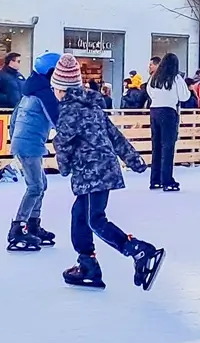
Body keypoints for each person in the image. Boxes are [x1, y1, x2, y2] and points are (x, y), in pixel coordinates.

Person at [49, 54, 162, 290]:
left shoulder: (69, 111)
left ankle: (138, 250)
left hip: (92, 173)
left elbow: (63, 142)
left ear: (61, 89)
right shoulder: (93, 107)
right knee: (80, 215)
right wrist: (133, 160)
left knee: (95, 219)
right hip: (103, 169)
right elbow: (115, 136)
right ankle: (87, 264)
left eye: (54, 88)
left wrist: (64, 167)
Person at [6, 51, 61, 251]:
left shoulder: (30, 90)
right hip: (29, 145)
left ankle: (33, 225)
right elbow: (58, 119)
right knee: (35, 186)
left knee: (41, 184)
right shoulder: (44, 94)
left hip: (28, 143)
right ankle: (18, 228)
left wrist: (16, 140)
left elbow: (14, 118)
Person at [146, 53, 188, 192]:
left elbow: (149, 91)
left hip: (154, 111)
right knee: (168, 147)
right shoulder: (175, 78)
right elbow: (184, 96)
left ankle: (155, 180)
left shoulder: (154, 77)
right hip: (169, 112)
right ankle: (167, 180)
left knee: (156, 146)